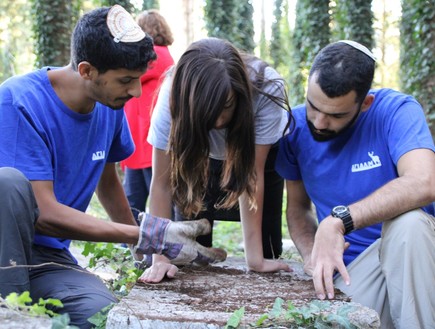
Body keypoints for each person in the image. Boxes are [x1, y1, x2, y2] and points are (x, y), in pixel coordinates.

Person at [0, 5, 225, 328]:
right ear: (87, 70)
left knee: (108, 317)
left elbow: (107, 181)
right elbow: (44, 213)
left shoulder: (107, 105)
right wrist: (149, 234)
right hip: (5, 248)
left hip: (48, 261)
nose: (135, 91)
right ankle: (9, 313)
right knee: (7, 182)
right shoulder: (18, 101)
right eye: (125, 81)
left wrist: (144, 252)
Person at [275, 40, 435, 328]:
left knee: (408, 224)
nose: (320, 122)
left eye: (336, 115)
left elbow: (424, 182)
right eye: (313, 106)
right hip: (354, 270)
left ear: (365, 104)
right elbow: (298, 209)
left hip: (420, 260)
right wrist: (312, 254)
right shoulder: (295, 128)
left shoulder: (396, 110)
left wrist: (340, 220)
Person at [140, 37, 294, 283]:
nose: (220, 120)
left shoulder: (267, 88)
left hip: (256, 161)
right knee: (187, 256)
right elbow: (161, 183)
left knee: (267, 251)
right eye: (210, 111)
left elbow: (251, 177)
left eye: (227, 106)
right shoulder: (172, 94)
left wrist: (255, 259)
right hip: (198, 156)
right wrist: (159, 258)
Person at [120, 9, 175, 220]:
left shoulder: (155, 55)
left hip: (146, 138)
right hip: (141, 137)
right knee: (136, 194)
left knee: (146, 194)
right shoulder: (163, 54)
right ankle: (131, 242)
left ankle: (137, 242)